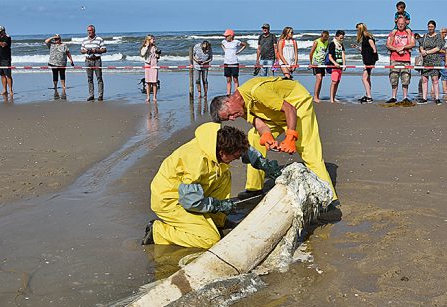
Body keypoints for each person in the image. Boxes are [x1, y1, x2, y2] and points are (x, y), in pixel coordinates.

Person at [209, 77, 341, 221]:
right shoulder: (240, 107)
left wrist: (290, 136)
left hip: (297, 106)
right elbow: (259, 124)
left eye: (229, 115)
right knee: (254, 138)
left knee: (310, 153)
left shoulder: (258, 92)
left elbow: (290, 109)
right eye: (229, 119)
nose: (233, 118)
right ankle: (254, 188)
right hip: (275, 114)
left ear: (228, 101)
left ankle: (329, 201)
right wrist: (267, 136)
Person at [143, 123, 281, 248]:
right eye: (235, 156)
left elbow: (242, 149)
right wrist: (218, 205)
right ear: (223, 153)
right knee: (210, 239)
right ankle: (157, 232)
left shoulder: (217, 141)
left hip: (191, 193)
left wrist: (262, 163)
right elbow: (190, 201)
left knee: (224, 174)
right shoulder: (195, 163)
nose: (238, 159)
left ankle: (217, 220)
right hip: (171, 200)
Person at [385, 16, 415, 104]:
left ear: (405, 23)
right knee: (393, 78)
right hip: (394, 59)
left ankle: (405, 97)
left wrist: (403, 47)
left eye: (402, 24)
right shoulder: (392, 33)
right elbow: (388, 44)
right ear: (396, 24)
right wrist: (396, 49)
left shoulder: (409, 33)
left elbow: (413, 43)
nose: (400, 25)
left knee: (405, 78)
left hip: (406, 59)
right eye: (399, 24)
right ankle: (393, 97)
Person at [417, 21, 444, 105]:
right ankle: (424, 98)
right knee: (424, 79)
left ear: (435, 27)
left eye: (432, 26)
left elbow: (438, 48)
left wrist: (427, 52)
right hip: (425, 61)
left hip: (435, 60)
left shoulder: (438, 36)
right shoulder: (425, 36)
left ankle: (437, 98)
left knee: (435, 80)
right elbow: (421, 44)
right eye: (429, 26)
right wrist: (422, 50)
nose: (430, 28)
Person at [352, 23, 378, 103]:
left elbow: (374, 50)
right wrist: (357, 47)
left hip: (369, 61)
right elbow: (366, 50)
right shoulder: (365, 38)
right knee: (367, 78)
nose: (357, 32)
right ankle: (368, 95)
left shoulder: (368, 37)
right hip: (368, 60)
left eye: (357, 30)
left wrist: (368, 63)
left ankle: (369, 96)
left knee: (364, 78)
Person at [81, 25, 106, 101]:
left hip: (97, 60)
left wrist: (96, 50)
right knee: (89, 79)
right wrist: (86, 51)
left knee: (99, 78)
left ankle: (100, 95)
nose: (89, 32)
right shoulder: (84, 40)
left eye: (90, 30)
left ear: (94, 31)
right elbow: (81, 50)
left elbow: (104, 50)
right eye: (88, 30)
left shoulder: (99, 39)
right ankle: (91, 95)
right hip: (88, 60)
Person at [221, 29, 247, 95]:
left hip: (234, 62)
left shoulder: (236, 42)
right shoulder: (224, 42)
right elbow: (221, 45)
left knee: (235, 79)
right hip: (226, 62)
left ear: (231, 36)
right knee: (228, 79)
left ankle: (236, 93)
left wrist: (238, 52)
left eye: (227, 36)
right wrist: (225, 50)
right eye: (225, 36)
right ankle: (228, 93)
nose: (225, 37)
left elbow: (244, 45)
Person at [309, 31, 330, 103]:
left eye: (326, 39)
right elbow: (311, 53)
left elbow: (325, 52)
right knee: (319, 78)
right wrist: (311, 63)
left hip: (322, 63)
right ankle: (315, 97)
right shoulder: (316, 42)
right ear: (321, 36)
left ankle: (318, 96)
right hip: (316, 63)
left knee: (321, 80)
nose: (324, 40)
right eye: (323, 39)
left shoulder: (327, 42)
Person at [140, 34, 161, 102]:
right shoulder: (144, 47)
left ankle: (154, 97)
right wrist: (147, 46)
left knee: (154, 82)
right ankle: (148, 97)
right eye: (152, 39)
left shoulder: (155, 47)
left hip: (154, 64)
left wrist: (158, 55)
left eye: (154, 39)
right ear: (148, 40)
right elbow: (142, 54)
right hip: (148, 65)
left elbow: (157, 57)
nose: (154, 40)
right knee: (148, 82)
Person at [328, 30, 346, 103]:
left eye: (343, 38)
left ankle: (334, 97)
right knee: (334, 82)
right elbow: (330, 56)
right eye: (340, 38)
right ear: (336, 37)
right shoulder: (332, 44)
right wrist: (335, 63)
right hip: (334, 66)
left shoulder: (341, 45)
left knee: (338, 81)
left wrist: (344, 64)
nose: (342, 39)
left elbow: (343, 54)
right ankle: (331, 98)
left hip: (340, 65)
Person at [440, 28, 447, 94]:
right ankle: (445, 91)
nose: (445, 34)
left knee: (437, 77)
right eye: (444, 32)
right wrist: (443, 51)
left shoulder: (444, 41)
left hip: (442, 59)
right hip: (440, 59)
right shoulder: (439, 40)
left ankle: (433, 93)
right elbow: (437, 49)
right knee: (444, 75)